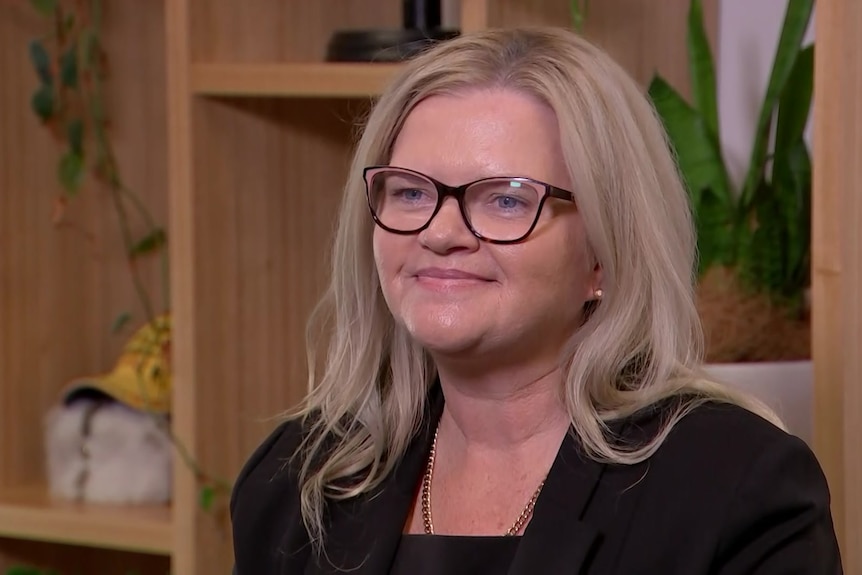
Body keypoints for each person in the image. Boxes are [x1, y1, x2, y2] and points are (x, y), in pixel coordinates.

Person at [230, 26, 842, 574]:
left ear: (603, 254)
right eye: (411, 193)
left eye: (506, 200)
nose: (440, 234)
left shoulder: (735, 487)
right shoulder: (297, 479)